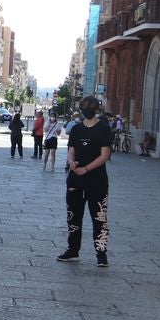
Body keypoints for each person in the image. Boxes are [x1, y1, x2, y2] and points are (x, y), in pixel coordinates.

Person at [57, 95, 112, 267]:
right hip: (75, 179)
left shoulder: (103, 129)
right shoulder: (76, 129)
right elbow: (71, 150)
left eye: (89, 107)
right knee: (73, 216)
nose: (86, 110)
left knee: (99, 217)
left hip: (97, 180)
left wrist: (86, 168)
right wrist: (71, 162)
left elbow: (105, 155)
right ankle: (73, 250)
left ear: (96, 110)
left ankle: (101, 254)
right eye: (84, 107)